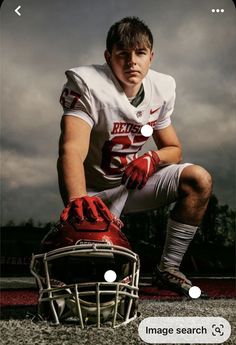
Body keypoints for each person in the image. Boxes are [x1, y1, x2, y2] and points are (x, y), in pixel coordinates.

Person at [57, 17, 212, 296]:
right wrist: (77, 198)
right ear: (108, 57)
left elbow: (174, 149)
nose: (132, 62)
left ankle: (168, 268)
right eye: (122, 54)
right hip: (92, 193)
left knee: (198, 179)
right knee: (93, 281)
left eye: (140, 53)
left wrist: (152, 158)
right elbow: (71, 148)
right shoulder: (88, 84)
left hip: (130, 183)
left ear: (151, 57)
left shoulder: (160, 89)